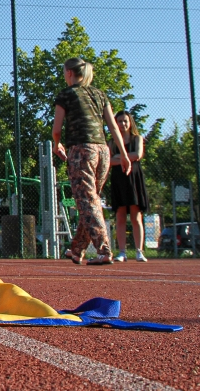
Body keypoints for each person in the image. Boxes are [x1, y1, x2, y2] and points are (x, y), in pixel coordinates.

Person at [52, 57, 131, 266]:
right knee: (90, 201)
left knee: (87, 201)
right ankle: (77, 249)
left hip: (81, 150)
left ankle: (104, 250)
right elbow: (113, 127)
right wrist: (122, 153)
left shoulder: (66, 94)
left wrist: (56, 144)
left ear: (69, 73)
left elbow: (57, 128)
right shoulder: (99, 94)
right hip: (103, 151)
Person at [109, 110, 149, 262]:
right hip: (118, 180)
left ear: (130, 122)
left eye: (125, 121)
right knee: (120, 216)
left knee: (136, 215)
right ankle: (122, 252)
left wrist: (118, 157)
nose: (122, 124)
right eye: (119, 121)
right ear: (115, 123)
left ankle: (139, 251)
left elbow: (137, 155)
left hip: (134, 179)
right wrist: (124, 158)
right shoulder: (112, 142)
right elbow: (109, 161)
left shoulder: (137, 138)